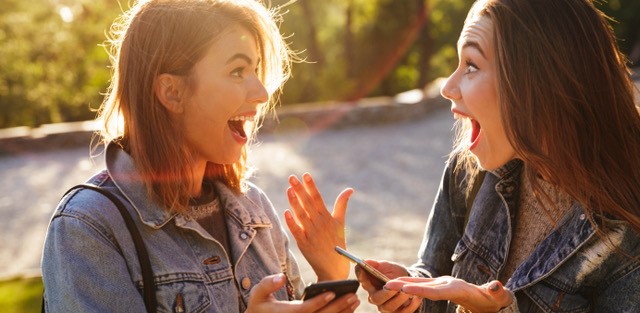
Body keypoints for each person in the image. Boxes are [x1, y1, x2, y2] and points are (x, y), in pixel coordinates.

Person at [40, 0, 359, 312]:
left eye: (257, 70)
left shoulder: (255, 210)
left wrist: (330, 278)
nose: (261, 93)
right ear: (172, 92)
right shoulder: (87, 227)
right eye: (238, 71)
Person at [348, 0, 640, 312]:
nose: (448, 87)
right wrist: (412, 290)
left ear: (539, 81)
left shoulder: (626, 226)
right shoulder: (468, 170)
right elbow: (435, 273)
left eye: (471, 65)